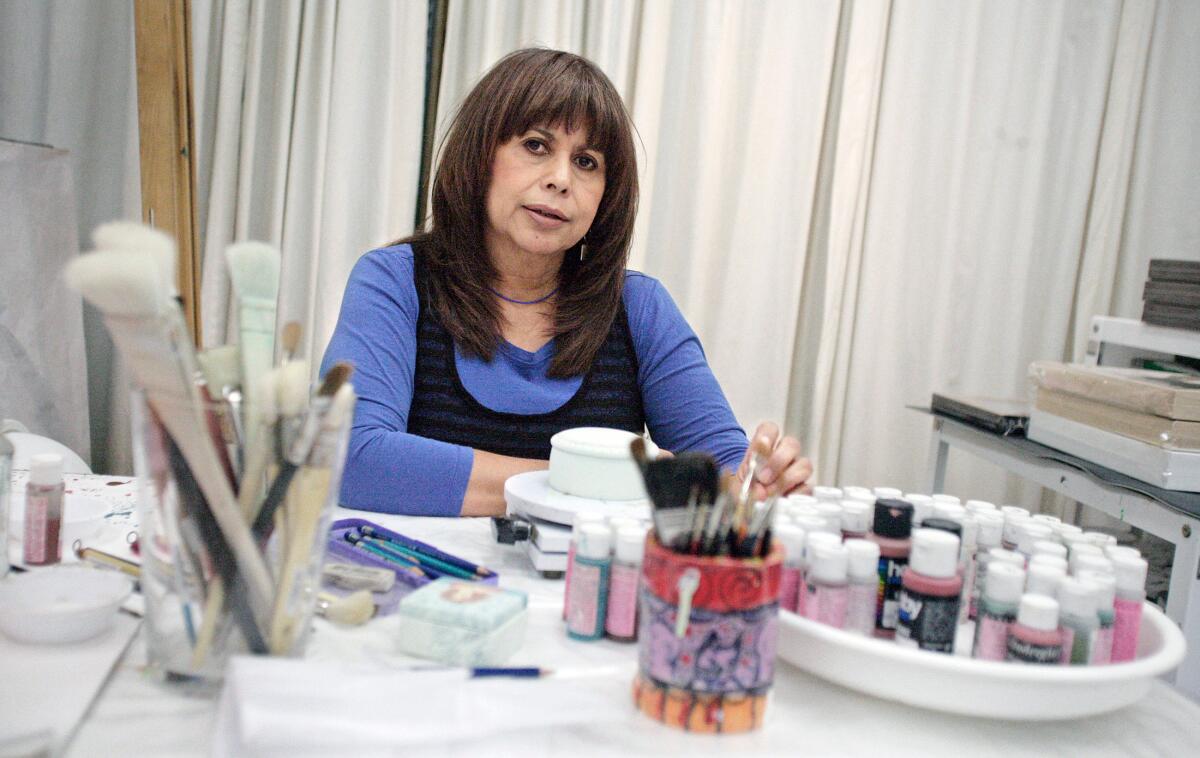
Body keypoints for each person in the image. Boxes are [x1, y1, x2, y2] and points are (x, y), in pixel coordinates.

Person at [321, 48, 812, 517]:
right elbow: (352, 458)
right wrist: (599, 484)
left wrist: (760, 481)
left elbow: (725, 470)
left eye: (586, 162)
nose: (561, 179)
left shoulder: (639, 307)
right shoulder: (395, 281)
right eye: (536, 146)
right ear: (479, 158)